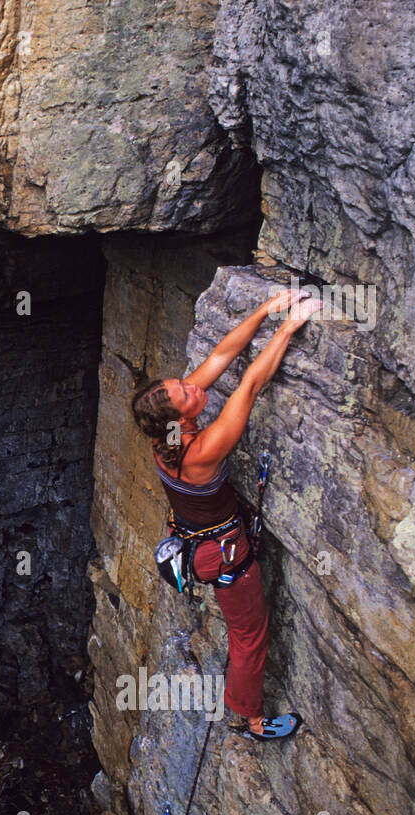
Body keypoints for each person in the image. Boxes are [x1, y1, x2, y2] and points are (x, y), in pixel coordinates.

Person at [130, 288, 322, 740]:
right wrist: (291, 326)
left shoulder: (168, 434)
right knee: (249, 635)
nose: (194, 386)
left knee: (246, 632)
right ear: (179, 414)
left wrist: (264, 310)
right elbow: (250, 384)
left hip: (201, 535)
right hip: (225, 555)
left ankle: (248, 711)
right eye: (186, 392)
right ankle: (252, 719)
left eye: (182, 383)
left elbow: (219, 356)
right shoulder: (198, 452)